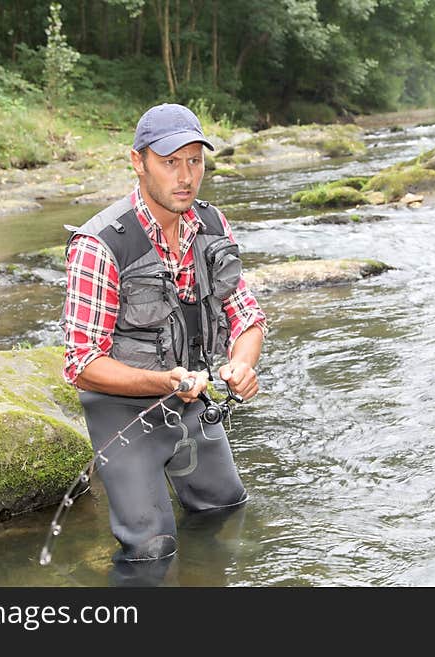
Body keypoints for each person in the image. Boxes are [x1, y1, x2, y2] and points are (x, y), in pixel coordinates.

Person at [61, 103, 267, 566]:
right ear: (138, 162)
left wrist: (242, 364)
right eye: (170, 161)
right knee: (150, 553)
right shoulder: (100, 245)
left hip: (191, 402)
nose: (185, 176)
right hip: (123, 416)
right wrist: (164, 381)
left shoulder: (211, 225)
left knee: (227, 511)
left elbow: (246, 315)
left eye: (195, 161)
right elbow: (80, 364)